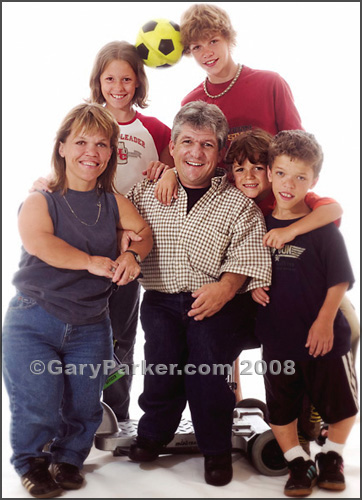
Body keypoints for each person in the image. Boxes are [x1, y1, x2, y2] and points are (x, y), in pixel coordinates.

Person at [2, 103, 153, 498]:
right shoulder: (41, 199)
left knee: (86, 404)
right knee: (38, 401)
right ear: (63, 147)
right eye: (82, 141)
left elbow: (144, 232)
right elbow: (42, 244)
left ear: (111, 152)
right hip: (35, 319)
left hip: (90, 322)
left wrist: (132, 256)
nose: (92, 151)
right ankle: (32, 463)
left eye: (102, 144)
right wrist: (93, 262)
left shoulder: (113, 202)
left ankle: (69, 460)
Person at [126, 101, 272, 487]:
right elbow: (113, 214)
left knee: (207, 368)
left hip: (216, 302)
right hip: (160, 299)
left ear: (221, 153)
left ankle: (216, 449)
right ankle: (153, 434)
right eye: (187, 142)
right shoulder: (145, 191)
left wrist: (226, 287)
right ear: (171, 147)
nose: (196, 152)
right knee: (161, 365)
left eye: (207, 145)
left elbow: (249, 252)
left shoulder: (238, 203)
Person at [31, 40, 174, 422]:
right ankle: (68, 415)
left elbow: (182, 169)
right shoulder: (87, 123)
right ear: (98, 81)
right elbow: (66, 164)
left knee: (119, 338)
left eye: (127, 78)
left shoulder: (155, 129)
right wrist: (45, 181)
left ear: (139, 82)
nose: (119, 86)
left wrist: (170, 170)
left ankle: (117, 415)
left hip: (130, 245)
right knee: (74, 332)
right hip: (86, 242)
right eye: (110, 78)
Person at [252, 130, 358, 497]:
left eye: (300, 177)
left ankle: (331, 456)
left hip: (324, 336)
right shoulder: (258, 225)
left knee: (342, 403)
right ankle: (298, 462)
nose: (288, 184)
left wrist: (326, 321)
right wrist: (252, 285)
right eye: (281, 173)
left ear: (314, 181)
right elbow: (243, 266)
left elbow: (340, 279)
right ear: (268, 172)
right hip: (278, 338)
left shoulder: (323, 229)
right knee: (280, 406)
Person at [179, 4, 302, 147]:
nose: (207, 53)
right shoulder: (191, 103)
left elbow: (298, 146)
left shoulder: (270, 84)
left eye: (213, 41)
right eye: (197, 47)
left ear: (228, 38)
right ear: (190, 52)